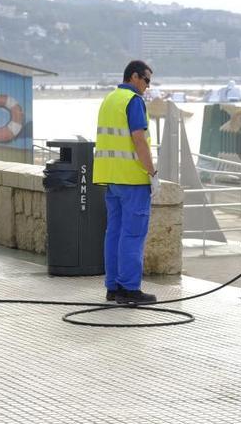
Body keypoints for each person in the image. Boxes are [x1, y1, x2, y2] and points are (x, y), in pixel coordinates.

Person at [93, 60, 161, 304]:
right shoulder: (133, 101)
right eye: (146, 80)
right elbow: (139, 140)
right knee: (132, 235)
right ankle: (130, 289)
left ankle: (113, 288)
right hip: (132, 179)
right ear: (134, 77)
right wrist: (152, 173)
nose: (147, 86)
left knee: (114, 233)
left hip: (110, 179)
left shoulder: (109, 99)